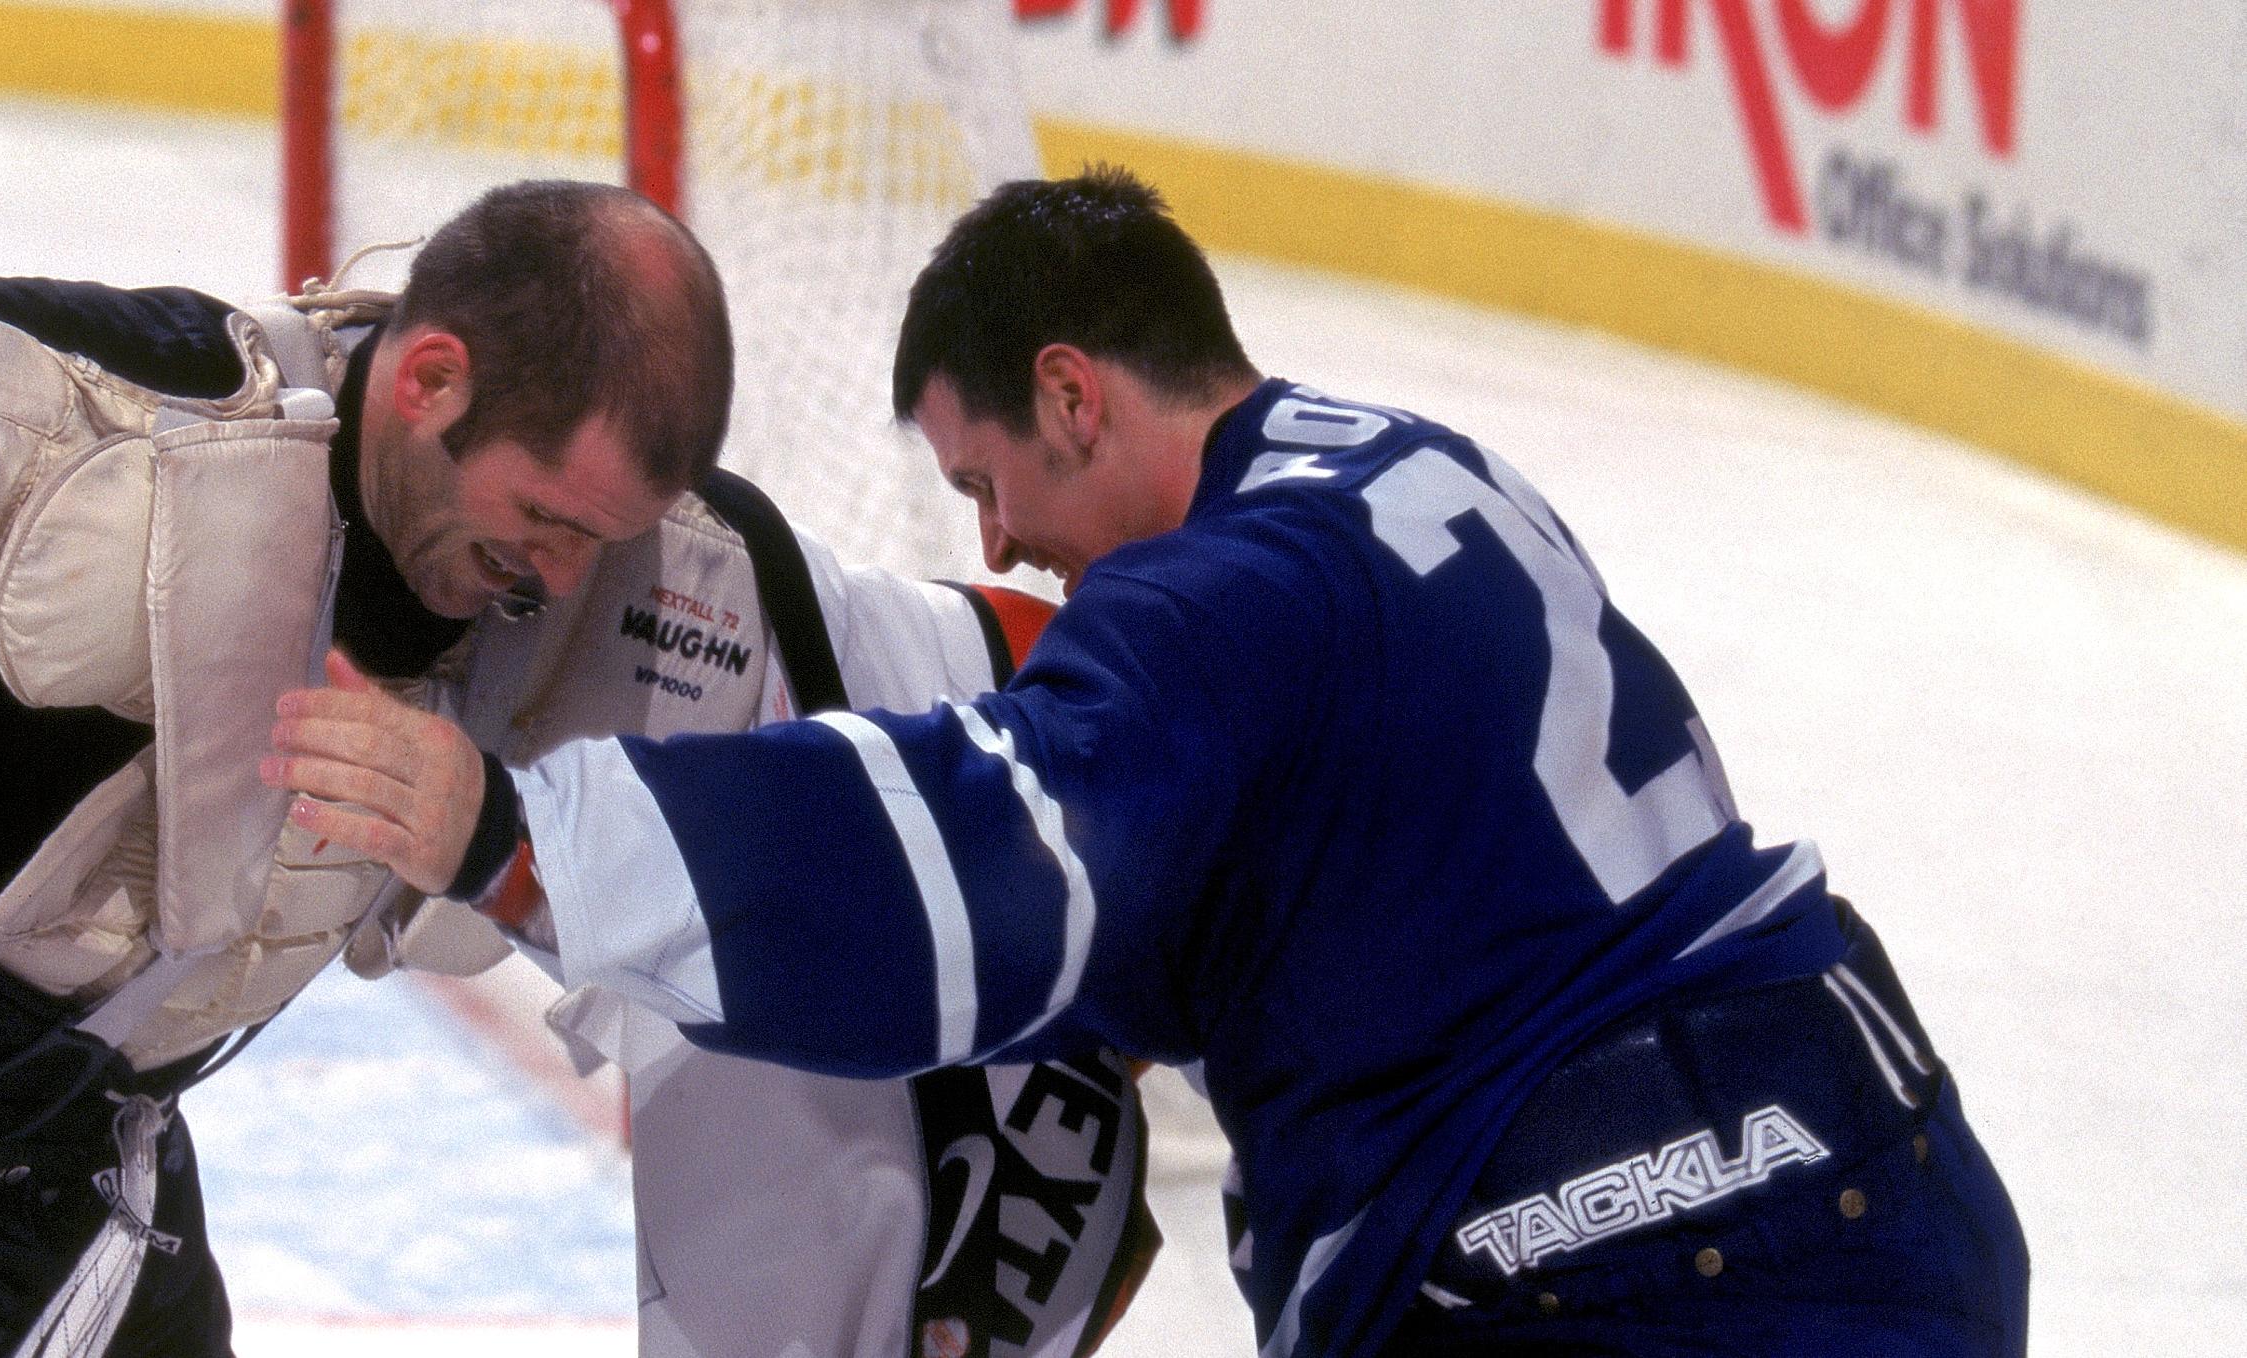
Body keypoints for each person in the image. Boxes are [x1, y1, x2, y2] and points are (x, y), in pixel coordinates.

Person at [271, 167, 2031, 1358]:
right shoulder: (1421, 466)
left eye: (987, 485)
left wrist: (527, 841)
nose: (1011, 544)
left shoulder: (1206, 599)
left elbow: (985, 866)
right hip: (1883, 1160)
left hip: (1618, 1263)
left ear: (1073, 394)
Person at [0, 179, 1148, 1358]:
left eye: (604, 537)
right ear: (431, 383)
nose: (562, 579)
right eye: (543, 520)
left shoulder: (655, 575)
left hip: (82, 1167)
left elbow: (1027, 678)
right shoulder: (129, 432)